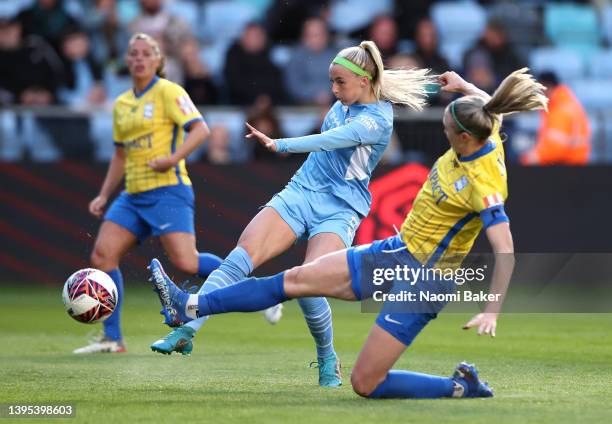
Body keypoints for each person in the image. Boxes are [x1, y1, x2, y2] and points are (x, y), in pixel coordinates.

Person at [148, 68, 548, 398]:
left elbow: (505, 248)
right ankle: (189, 307)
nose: (443, 132)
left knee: (365, 384)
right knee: (297, 280)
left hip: (427, 278)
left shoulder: (484, 180)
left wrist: (492, 307)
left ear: (463, 139)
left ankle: (459, 387)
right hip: (395, 252)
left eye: (446, 130)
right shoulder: (483, 128)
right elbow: (486, 108)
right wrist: (463, 87)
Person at [149, 40, 433, 388]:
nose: (333, 89)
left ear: (363, 80)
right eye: (332, 81)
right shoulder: (348, 98)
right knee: (240, 258)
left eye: (339, 82)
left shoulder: (377, 120)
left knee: (309, 283)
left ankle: (327, 357)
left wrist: (280, 144)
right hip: (301, 192)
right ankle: (188, 330)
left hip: (340, 209)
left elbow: (327, 141)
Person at [74, 33, 222, 354]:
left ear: (158, 60)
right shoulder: (122, 103)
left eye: (146, 53)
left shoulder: (168, 92)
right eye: (134, 54)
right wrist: (103, 194)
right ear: (127, 61)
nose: (139, 59)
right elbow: (119, 155)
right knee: (102, 256)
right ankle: (113, 339)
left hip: (168, 189)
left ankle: (248, 282)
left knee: (186, 261)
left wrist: (172, 158)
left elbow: (200, 129)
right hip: (132, 194)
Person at [520, 71, 591, 165]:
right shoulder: (567, 103)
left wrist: (533, 157)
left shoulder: (559, 110)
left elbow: (556, 148)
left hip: (567, 165)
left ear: (546, 87)